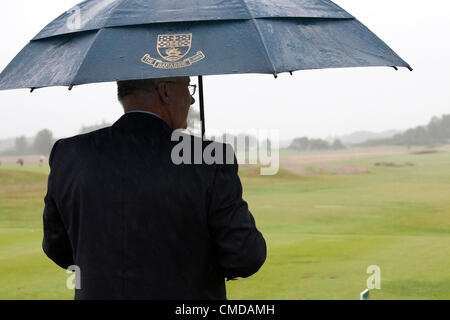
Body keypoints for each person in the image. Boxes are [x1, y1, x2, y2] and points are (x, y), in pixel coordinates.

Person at [42, 76, 266, 300]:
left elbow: (57, 246)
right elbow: (244, 256)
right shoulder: (210, 158)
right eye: (188, 88)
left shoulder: (69, 153)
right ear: (165, 91)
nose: (191, 99)